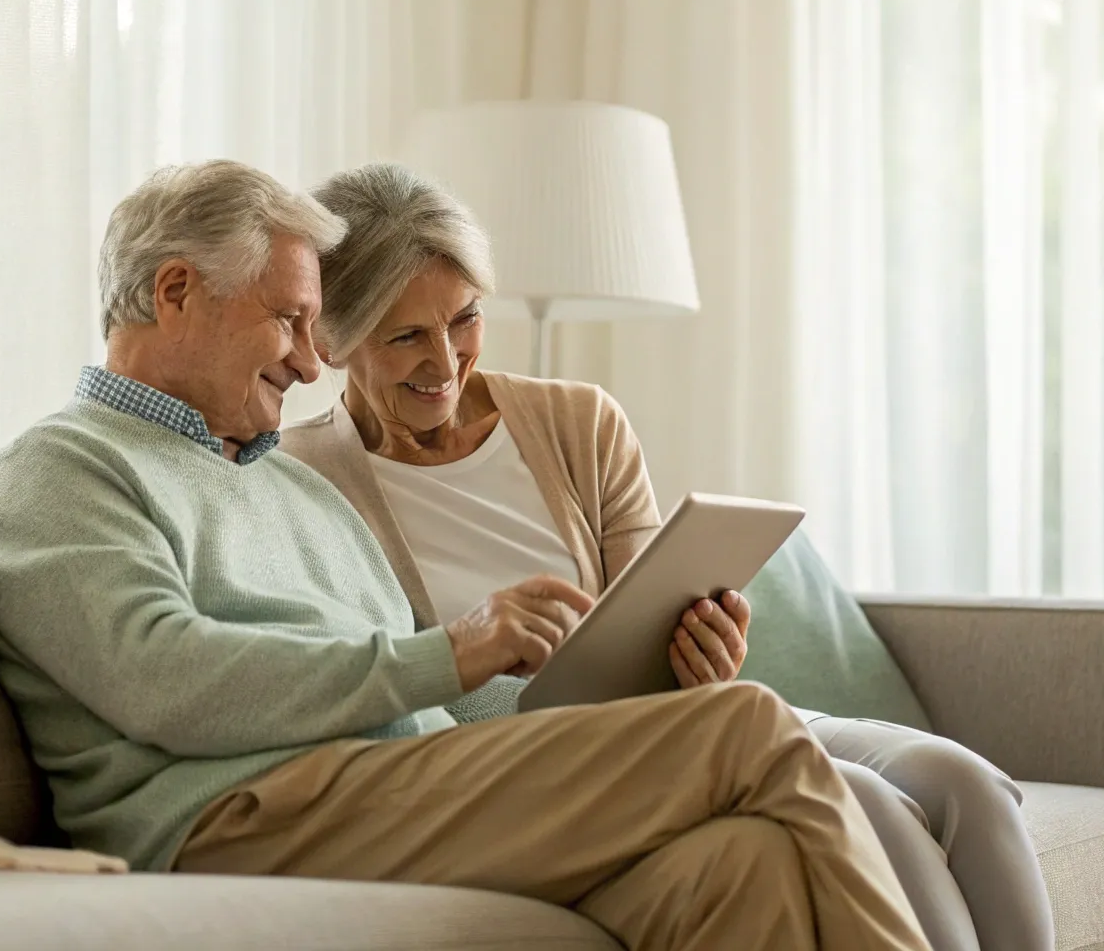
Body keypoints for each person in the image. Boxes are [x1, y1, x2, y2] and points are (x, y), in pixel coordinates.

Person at [0, 159, 930, 951]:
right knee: (741, 725)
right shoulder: (58, 470)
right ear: (175, 291)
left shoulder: (286, 485)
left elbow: (422, 706)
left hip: (393, 793)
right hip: (237, 821)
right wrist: (453, 648)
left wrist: (586, 685)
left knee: (740, 867)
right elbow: (163, 678)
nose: (309, 362)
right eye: (291, 319)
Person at [281, 162, 1054, 951]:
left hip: (693, 721)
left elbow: (648, 606)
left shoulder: (578, 422)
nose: (445, 363)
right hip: (554, 766)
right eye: (406, 335)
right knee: (866, 802)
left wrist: (704, 648)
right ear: (335, 339)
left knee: (964, 784)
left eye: (465, 320)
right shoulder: (303, 479)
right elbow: (376, 690)